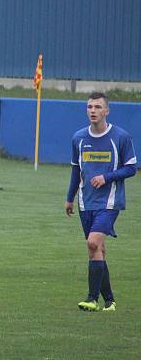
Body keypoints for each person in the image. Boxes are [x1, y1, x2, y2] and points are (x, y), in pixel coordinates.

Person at [65, 92, 136, 312]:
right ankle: (110, 301)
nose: (93, 110)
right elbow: (76, 171)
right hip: (86, 203)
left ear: (107, 111)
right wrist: (70, 198)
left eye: (97, 107)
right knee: (98, 250)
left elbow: (132, 168)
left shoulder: (120, 137)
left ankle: (91, 298)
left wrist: (106, 177)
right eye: (89, 107)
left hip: (110, 202)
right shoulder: (79, 138)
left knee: (93, 243)